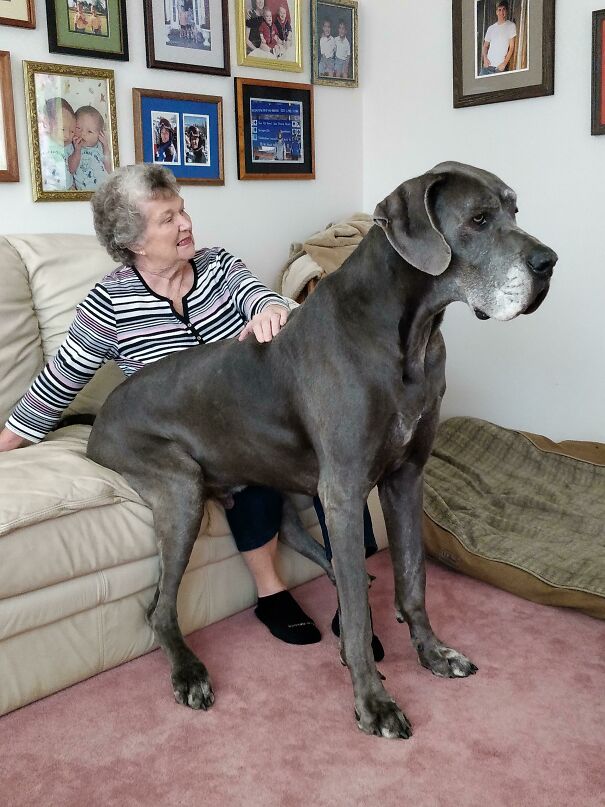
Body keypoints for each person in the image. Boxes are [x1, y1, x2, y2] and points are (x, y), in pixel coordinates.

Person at [0, 164, 383, 656]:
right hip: (193, 432)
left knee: (339, 458)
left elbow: (257, 296)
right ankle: (271, 593)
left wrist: (274, 310)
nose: (185, 224)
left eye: (182, 211)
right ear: (135, 240)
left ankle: (354, 601)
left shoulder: (218, 266)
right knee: (250, 468)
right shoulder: (109, 303)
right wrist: (9, 440)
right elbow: (59, 381)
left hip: (261, 408)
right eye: (167, 219)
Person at [68, 105, 111, 191]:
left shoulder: (99, 147)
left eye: (90, 131)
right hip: (84, 192)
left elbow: (109, 169)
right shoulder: (72, 146)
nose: (83, 134)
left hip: (103, 191)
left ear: (99, 135)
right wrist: (77, 151)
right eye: (78, 128)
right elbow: (71, 169)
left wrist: (106, 146)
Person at [40, 97, 76, 191]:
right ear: (47, 123)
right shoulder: (44, 142)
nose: (67, 136)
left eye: (72, 131)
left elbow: (73, 168)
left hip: (68, 188)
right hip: (48, 187)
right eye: (63, 129)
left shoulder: (70, 147)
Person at [480, 0, 516, 76]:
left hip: (499, 69)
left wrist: (504, 64)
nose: (501, 12)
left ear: (506, 11)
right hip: (487, 67)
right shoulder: (491, 28)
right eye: (499, 10)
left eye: (504, 9)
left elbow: (511, 48)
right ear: (496, 12)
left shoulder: (511, 26)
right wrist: (485, 59)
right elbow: (485, 46)